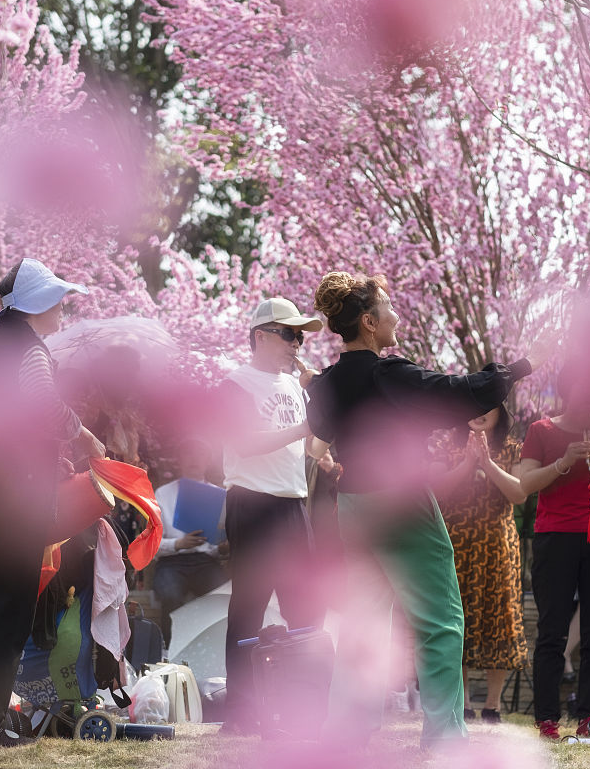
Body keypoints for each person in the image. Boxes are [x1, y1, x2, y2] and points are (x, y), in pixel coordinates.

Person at [305, 271, 538, 749]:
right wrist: (519, 367)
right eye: (388, 308)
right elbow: (459, 391)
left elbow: (318, 433)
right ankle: (445, 739)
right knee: (440, 621)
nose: (396, 316)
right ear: (369, 322)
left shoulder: (329, 382)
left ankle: (345, 734)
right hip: (401, 502)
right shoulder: (387, 374)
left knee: (364, 622)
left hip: (353, 508)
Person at [0, 257, 105, 748]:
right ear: (36, 304)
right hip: (15, 496)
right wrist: (84, 436)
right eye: (58, 300)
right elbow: (43, 403)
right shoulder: (31, 350)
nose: (63, 308)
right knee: (12, 605)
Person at [218, 297, 324, 735]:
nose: (297, 343)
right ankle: (240, 714)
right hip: (253, 503)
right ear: (260, 336)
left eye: (300, 336)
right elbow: (245, 443)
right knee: (250, 607)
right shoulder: (234, 385)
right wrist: (305, 427)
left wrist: (324, 437)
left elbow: (308, 447)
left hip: (293, 503)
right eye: (289, 334)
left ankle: (305, 709)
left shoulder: (296, 385)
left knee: (306, 608)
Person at [515, 364, 590, 739]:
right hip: (555, 537)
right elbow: (524, 483)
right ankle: (547, 719)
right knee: (552, 630)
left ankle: (589, 718)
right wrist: (563, 462)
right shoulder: (542, 430)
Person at [431, 404, 528, 724]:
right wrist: (467, 463)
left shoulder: (512, 448)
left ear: (501, 411)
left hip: (497, 546)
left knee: (499, 619)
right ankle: (463, 701)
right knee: (455, 620)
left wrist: (487, 463)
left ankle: (492, 705)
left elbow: (519, 494)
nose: (479, 411)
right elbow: (437, 491)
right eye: (471, 403)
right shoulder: (446, 445)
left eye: (487, 404)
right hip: (455, 544)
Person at [152, 438, 227, 646]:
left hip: (206, 561)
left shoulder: (219, 495)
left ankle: (216, 649)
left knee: (221, 594)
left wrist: (223, 547)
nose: (194, 459)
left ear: (207, 460)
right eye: (188, 454)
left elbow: (221, 542)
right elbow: (152, 544)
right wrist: (178, 544)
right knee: (170, 594)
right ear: (179, 459)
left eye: (200, 454)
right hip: (172, 562)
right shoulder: (163, 494)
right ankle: (169, 648)